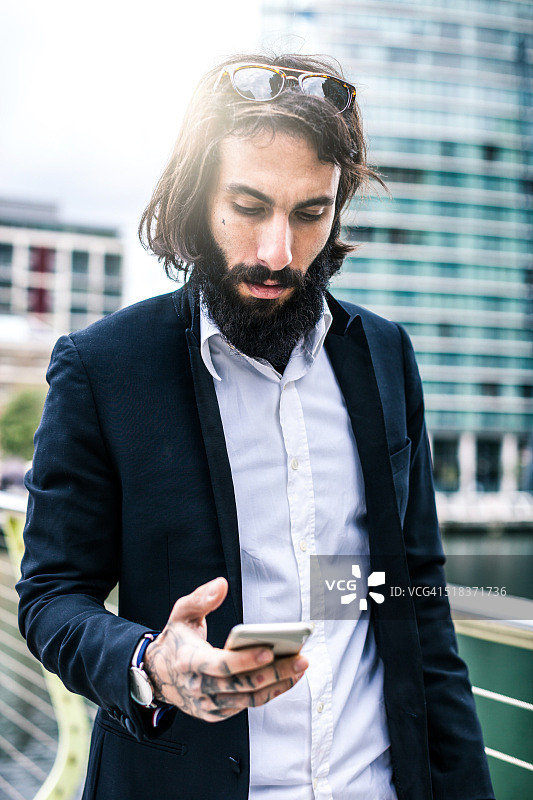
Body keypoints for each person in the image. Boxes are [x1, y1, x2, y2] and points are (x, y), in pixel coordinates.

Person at [17, 53, 494, 800]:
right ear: (197, 198)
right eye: (247, 206)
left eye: (310, 213)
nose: (278, 253)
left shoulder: (385, 355)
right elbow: (52, 597)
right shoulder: (102, 365)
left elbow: (410, 590)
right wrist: (150, 664)